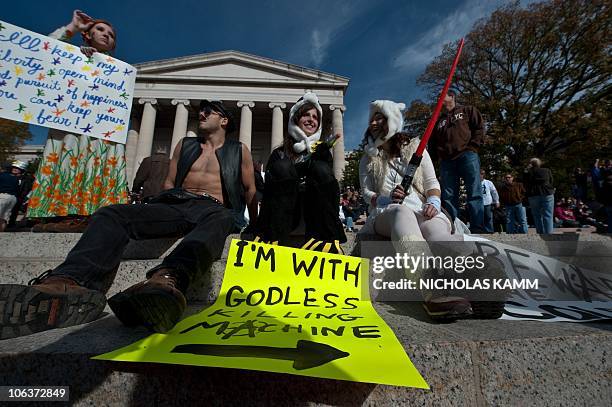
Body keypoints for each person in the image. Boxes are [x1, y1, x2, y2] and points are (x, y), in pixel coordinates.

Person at [0, 100, 258, 340]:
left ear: (224, 120)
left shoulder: (239, 150)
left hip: (214, 207)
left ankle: (167, 278)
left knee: (219, 220)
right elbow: (170, 181)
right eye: (200, 110)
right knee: (113, 213)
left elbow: (249, 190)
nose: (200, 114)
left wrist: (256, 225)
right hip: (176, 202)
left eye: (208, 111)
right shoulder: (185, 145)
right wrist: (157, 204)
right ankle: (67, 282)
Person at [359, 100, 477, 320]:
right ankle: (430, 287)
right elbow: (367, 193)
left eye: (379, 117)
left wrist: (433, 202)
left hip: (421, 208)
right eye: (372, 119)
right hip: (387, 213)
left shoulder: (415, 148)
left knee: (436, 232)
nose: (374, 123)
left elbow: (432, 184)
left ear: (392, 120)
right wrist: (385, 199)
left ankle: (478, 270)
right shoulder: (368, 158)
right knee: (401, 213)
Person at [28, 10, 128, 232]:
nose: (106, 35)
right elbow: (45, 47)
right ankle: (57, 215)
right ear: (87, 35)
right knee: (67, 163)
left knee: (98, 167)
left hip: (102, 132)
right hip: (71, 128)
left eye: (111, 34)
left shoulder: (118, 71)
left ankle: (94, 215)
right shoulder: (71, 55)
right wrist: (73, 28)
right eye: (100, 30)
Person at [253, 92, 346, 252]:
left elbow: (329, 189)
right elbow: (269, 190)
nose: (311, 120)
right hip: (284, 218)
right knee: (282, 167)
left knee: (321, 169)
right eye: (306, 115)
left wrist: (320, 157)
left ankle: (325, 241)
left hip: (315, 218)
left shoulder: (323, 152)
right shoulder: (279, 153)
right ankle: (272, 241)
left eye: (315, 117)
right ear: (295, 118)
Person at [429, 90, 485, 233]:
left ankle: (478, 228)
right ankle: (454, 228)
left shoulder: (467, 110)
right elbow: (432, 142)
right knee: (448, 196)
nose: (439, 99)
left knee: (474, 191)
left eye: (442, 96)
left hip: (467, 155)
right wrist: (436, 159)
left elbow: (479, 127)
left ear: (452, 96)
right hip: (447, 161)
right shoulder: (438, 120)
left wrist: (473, 147)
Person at [524, 158, 555, 234]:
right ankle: (549, 233)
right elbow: (551, 181)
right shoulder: (547, 170)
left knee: (536, 215)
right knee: (548, 214)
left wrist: (527, 169)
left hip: (533, 194)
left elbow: (525, 182)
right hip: (547, 192)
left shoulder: (529, 172)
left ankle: (540, 233)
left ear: (531, 164)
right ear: (539, 164)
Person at [0, 161, 27, 232]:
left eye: (18, 168)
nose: (15, 169)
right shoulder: (14, 178)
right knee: (4, 217)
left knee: (4, 216)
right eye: (14, 167)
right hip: (13, 198)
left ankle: (9, 225)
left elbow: (24, 190)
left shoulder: (24, 179)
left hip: (10, 197)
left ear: (22, 171)